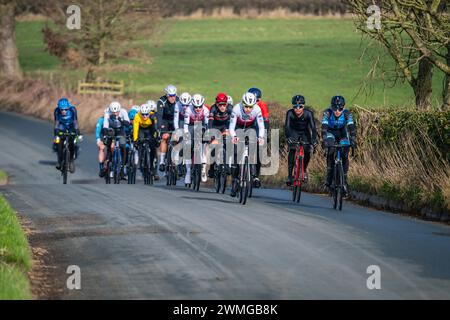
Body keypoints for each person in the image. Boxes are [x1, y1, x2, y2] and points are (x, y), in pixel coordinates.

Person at [229, 92, 265, 196]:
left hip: (250, 128)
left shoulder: (257, 109)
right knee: (236, 153)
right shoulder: (236, 109)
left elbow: (261, 126)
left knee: (253, 150)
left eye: (250, 107)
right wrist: (234, 137)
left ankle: (253, 176)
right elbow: (231, 127)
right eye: (246, 106)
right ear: (242, 103)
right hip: (238, 128)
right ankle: (235, 180)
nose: (248, 109)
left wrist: (261, 137)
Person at [321, 95, 357, 196]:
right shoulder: (327, 112)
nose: (337, 111)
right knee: (331, 149)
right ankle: (329, 176)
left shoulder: (346, 113)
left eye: (340, 108)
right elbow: (324, 128)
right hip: (330, 133)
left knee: (345, 154)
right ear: (331, 107)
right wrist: (324, 140)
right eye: (335, 108)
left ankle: (344, 180)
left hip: (342, 133)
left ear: (343, 107)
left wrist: (353, 140)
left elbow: (351, 128)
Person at [284, 95, 318, 186]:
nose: (297, 109)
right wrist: (288, 137)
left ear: (304, 106)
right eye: (295, 107)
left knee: (307, 151)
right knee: (292, 149)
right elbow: (287, 127)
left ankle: (304, 169)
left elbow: (313, 128)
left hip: (305, 133)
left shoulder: (308, 114)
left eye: (300, 107)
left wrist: (314, 139)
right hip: (293, 132)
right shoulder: (290, 113)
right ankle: (289, 175)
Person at [184, 94, 210, 184]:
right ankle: (188, 172)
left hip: (201, 126)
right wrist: (186, 134)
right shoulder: (188, 110)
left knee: (205, 141)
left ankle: (203, 167)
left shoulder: (206, 110)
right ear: (192, 105)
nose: (198, 109)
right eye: (196, 107)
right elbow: (186, 125)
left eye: (200, 107)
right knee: (188, 146)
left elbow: (207, 125)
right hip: (191, 126)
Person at [207, 92, 233, 178]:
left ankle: (228, 164)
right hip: (215, 127)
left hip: (225, 126)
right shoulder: (213, 109)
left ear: (227, 104)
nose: (222, 107)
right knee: (213, 145)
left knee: (229, 144)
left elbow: (234, 123)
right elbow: (210, 124)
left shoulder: (230, 108)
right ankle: (211, 167)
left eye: (224, 105)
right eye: (220, 105)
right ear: (216, 104)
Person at [103, 101, 130, 178]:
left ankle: (123, 166)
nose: (115, 114)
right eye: (113, 112)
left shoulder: (123, 111)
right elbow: (105, 126)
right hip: (111, 131)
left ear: (119, 110)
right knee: (110, 147)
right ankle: (110, 165)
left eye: (117, 112)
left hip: (121, 131)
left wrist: (120, 119)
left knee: (123, 147)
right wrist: (105, 136)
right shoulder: (107, 113)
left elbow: (128, 124)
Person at [53, 98, 81, 172]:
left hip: (71, 126)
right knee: (59, 142)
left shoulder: (72, 109)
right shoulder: (56, 111)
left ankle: (71, 160)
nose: (63, 111)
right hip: (62, 126)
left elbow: (75, 121)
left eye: (65, 109)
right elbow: (57, 122)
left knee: (72, 143)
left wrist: (77, 130)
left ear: (68, 108)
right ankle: (59, 161)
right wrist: (56, 131)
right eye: (61, 109)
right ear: (59, 108)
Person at [156, 85, 179, 172]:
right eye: (170, 96)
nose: (173, 98)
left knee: (176, 138)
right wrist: (159, 129)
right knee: (165, 137)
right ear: (166, 95)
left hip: (174, 120)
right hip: (164, 121)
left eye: (174, 95)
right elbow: (159, 116)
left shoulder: (178, 100)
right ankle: (162, 161)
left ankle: (175, 157)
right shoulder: (161, 101)